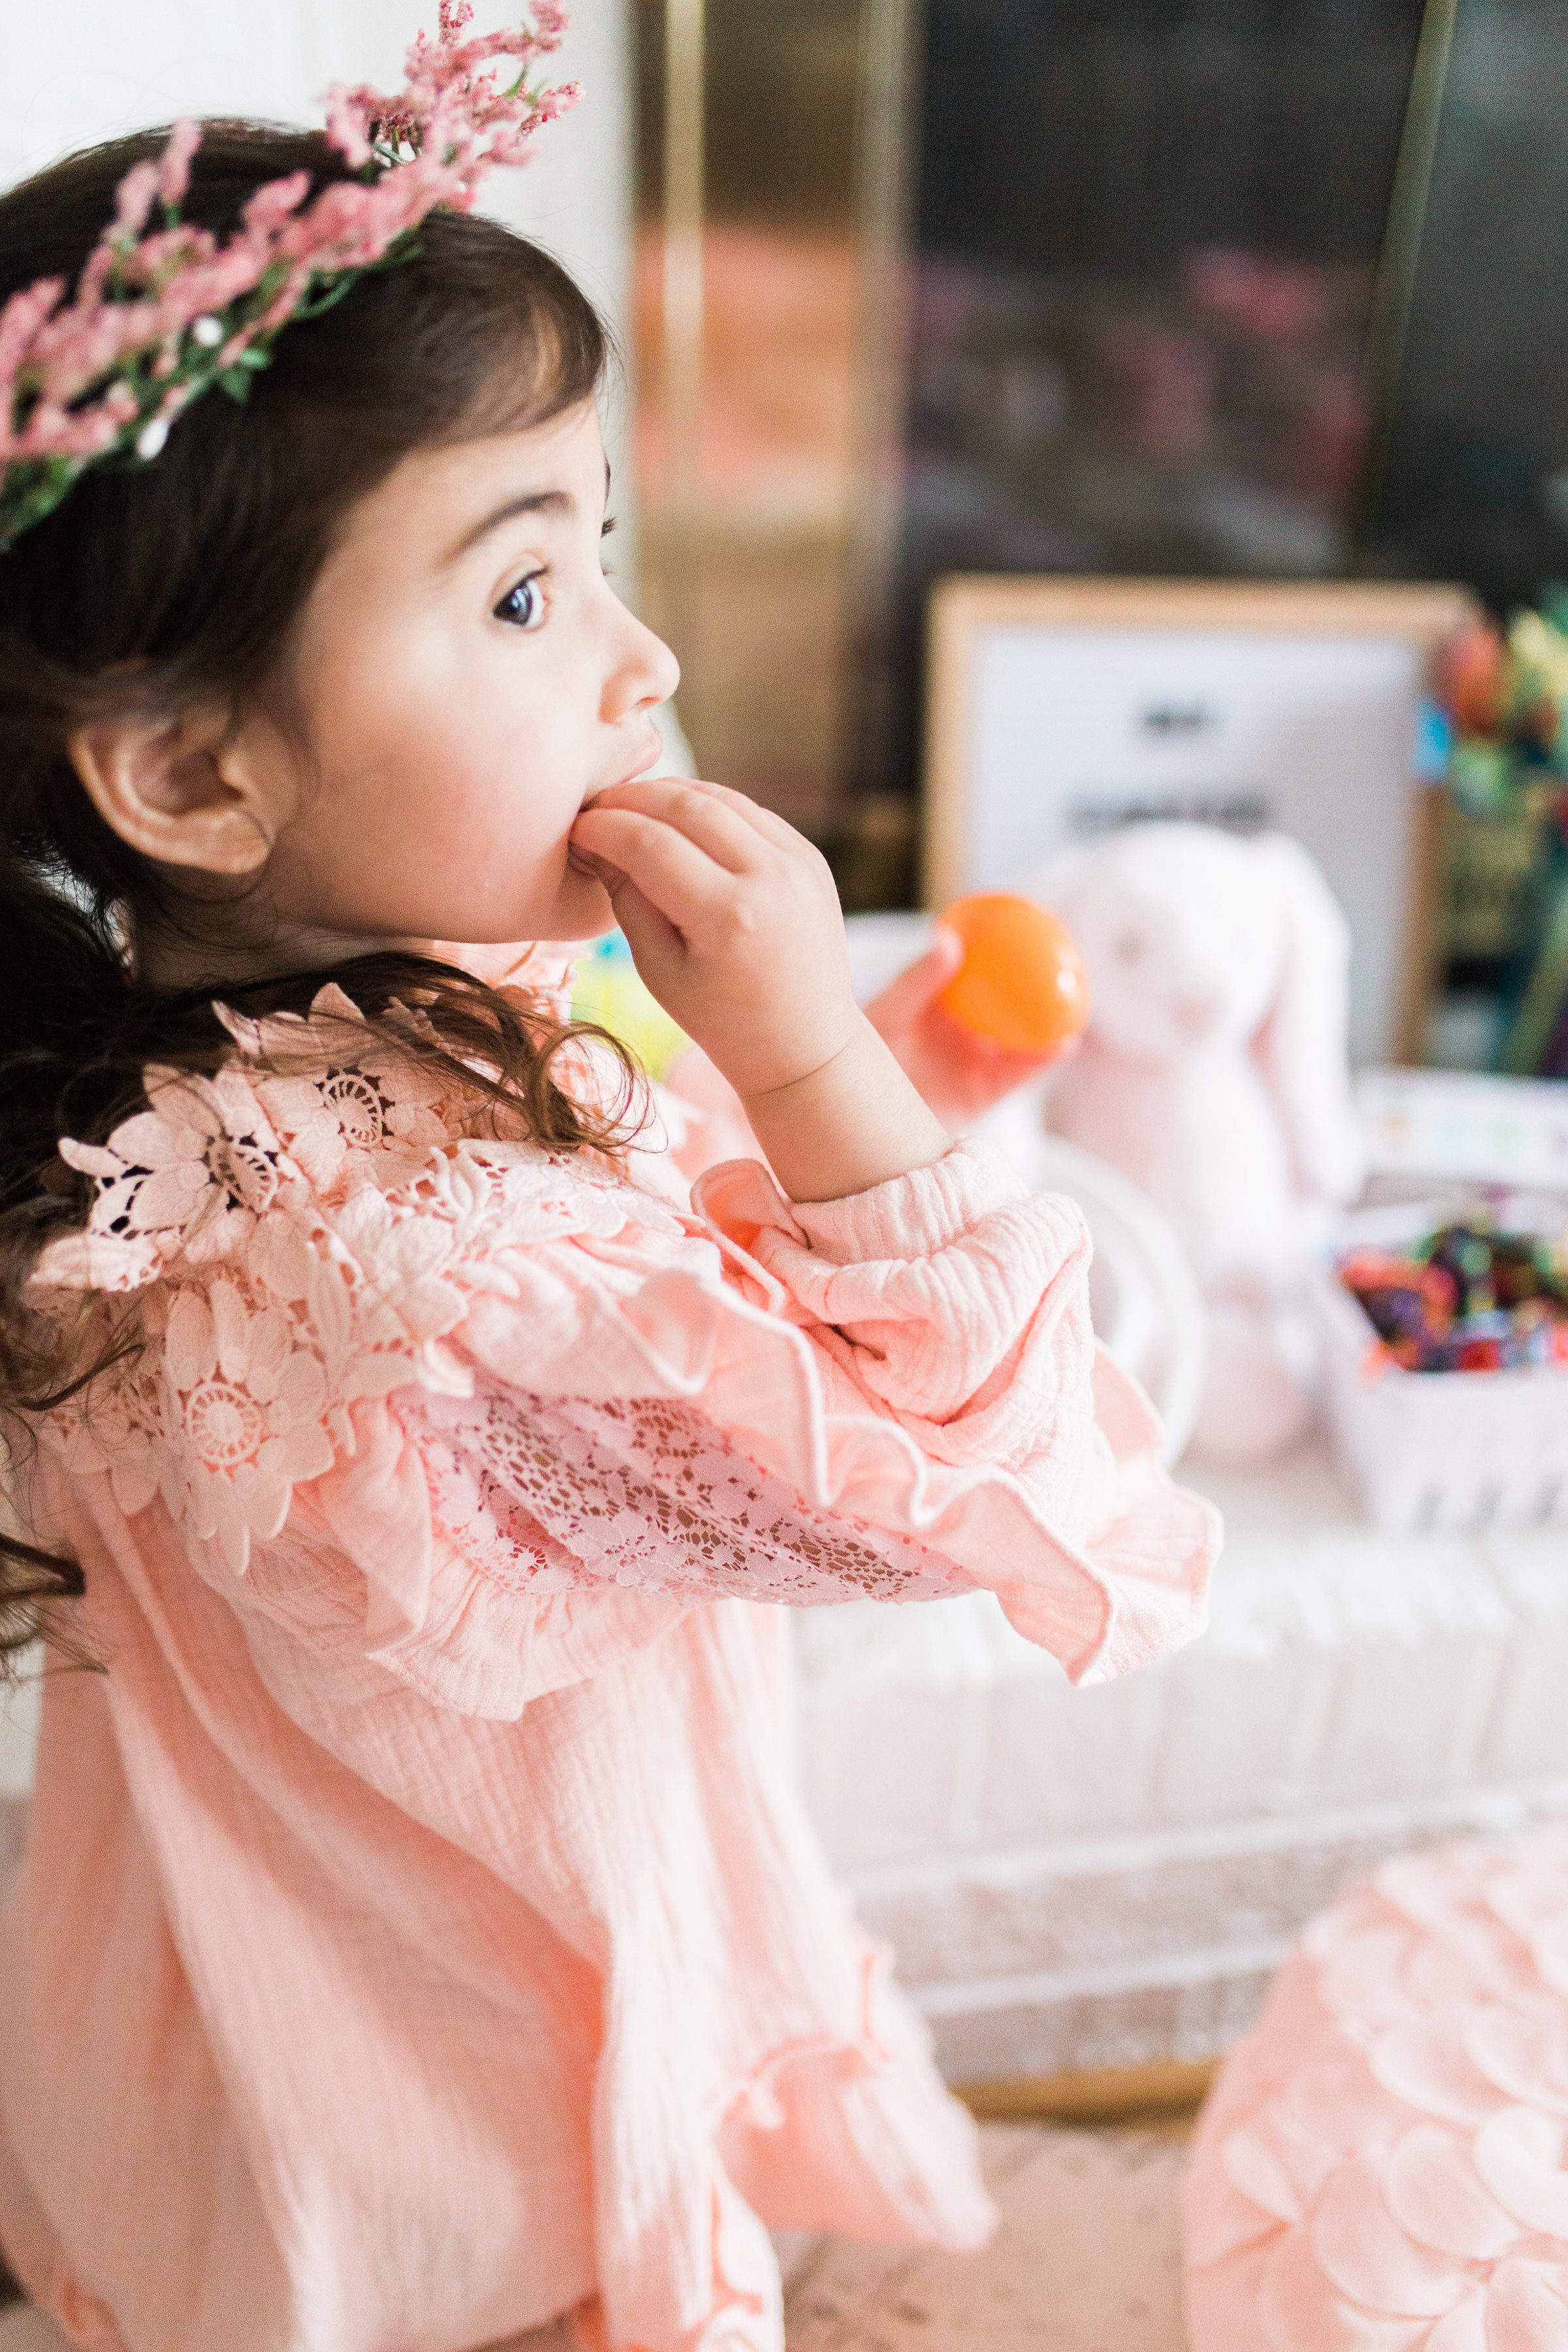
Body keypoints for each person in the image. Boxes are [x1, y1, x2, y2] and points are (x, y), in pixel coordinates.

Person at [0, 15, 1218, 2349]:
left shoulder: (197, 1076)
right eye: (526, 597)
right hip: (463, 2129)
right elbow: (986, 1482)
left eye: (603, 549)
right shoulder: (427, 1279)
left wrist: (810, 1057)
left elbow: (652, 1210)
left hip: (243, 2022)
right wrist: (805, 1045)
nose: (644, 659)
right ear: (187, 770)